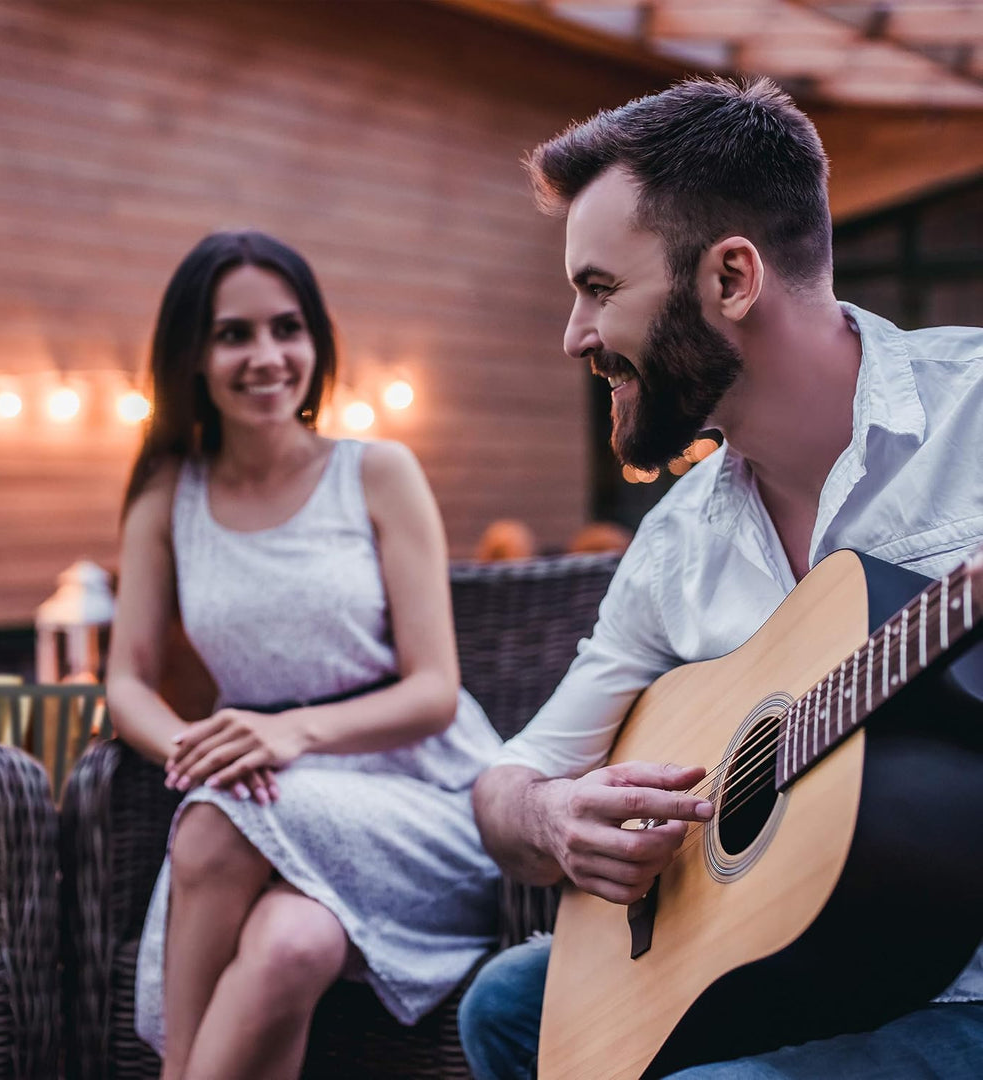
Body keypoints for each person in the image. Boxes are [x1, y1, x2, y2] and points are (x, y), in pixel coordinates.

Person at [458, 76, 983, 1079]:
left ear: (732, 279)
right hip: (809, 963)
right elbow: (505, 783)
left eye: (599, 288)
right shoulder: (677, 542)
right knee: (508, 1010)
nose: (573, 335)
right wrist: (552, 819)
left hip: (966, 979)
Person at [105, 230, 502, 1080]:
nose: (267, 356)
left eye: (288, 328)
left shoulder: (378, 473)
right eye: (233, 333)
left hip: (416, 790)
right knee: (291, 945)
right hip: (265, 783)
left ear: (316, 341)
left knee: (214, 824)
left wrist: (297, 736)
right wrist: (196, 750)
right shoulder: (165, 495)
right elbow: (127, 681)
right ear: (193, 356)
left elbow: (435, 690)